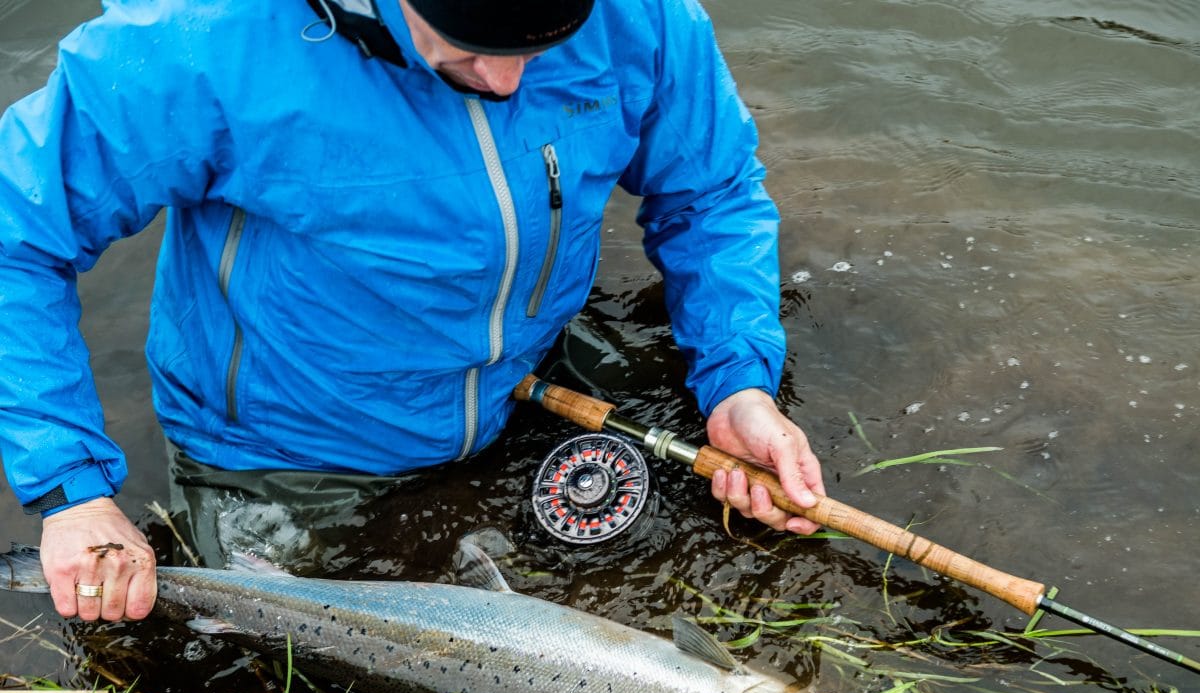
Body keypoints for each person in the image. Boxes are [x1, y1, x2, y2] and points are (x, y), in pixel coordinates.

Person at [0, 0, 826, 624]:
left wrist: (737, 385)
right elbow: (16, 235)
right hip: (285, 447)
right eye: (473, 46)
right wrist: (72, 492)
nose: (507, 82)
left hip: (526, 373)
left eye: (542, 47)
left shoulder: (638, 15)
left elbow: (711, 192)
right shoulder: (205, 38)